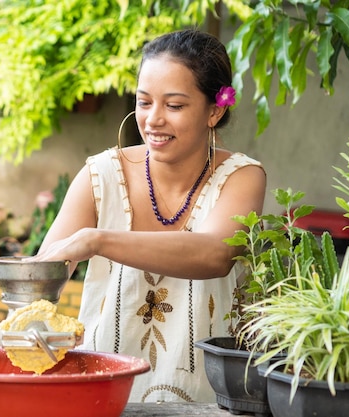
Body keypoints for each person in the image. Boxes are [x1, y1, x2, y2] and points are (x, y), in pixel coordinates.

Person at [30, 29, 266, 403]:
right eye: (143, 102)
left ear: (215, 110)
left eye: (174, 106)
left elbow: (215, 255)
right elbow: (38, 285)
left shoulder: (242, 176)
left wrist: (97, 239)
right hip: (103, 392)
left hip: (209, 398)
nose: (153, 119)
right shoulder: (100, 175)